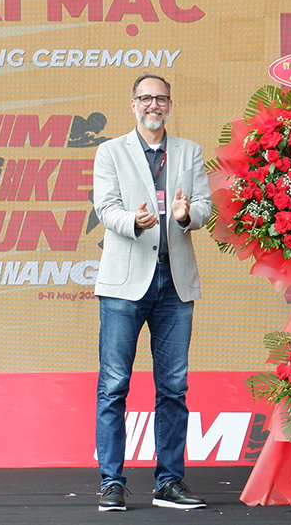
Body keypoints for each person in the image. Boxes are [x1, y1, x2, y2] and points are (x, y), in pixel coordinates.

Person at [92, 74, 212, 512]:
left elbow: (205, 206)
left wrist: (185, 215)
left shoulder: (189, 151)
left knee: (174, 388)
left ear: (170, 105)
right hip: (125, 283)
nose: (153, 105)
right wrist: (133, 221)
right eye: (145, 98)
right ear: (133, 104)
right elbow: (105, 207)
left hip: (174, 282)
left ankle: (169, 482)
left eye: (160, 98)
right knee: (114, 385)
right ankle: (111, 483)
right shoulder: (111, 151)